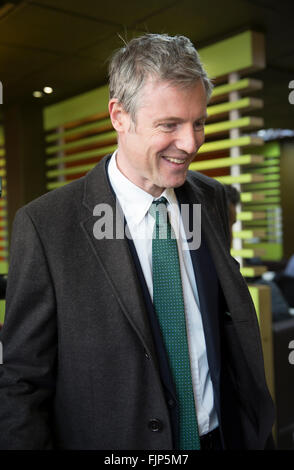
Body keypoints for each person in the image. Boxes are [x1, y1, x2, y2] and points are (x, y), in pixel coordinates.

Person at [0, 33, 274, 450]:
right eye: (169, 125)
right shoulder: (45, 226)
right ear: (119, 116)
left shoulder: (212, 199)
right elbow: (22, 382)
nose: (190, 143)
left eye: (198, 122)